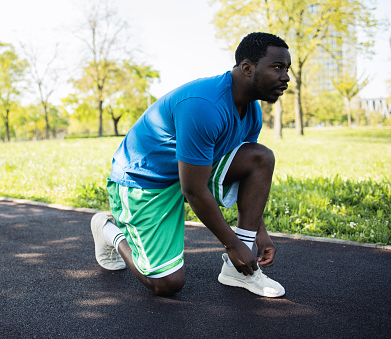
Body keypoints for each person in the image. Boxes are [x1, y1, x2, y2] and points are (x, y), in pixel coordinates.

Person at [91, 32, 291, 297]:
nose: (286, 76)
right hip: (143, 181)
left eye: (287, 68)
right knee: (167, 284)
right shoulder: (203, 106)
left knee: (260, 157)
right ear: (247, 68)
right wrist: (232, 244)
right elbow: (194, 191)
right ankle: (109, 230)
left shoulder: (252, 110)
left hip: (189, 171)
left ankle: (236, 270)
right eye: (277, 67)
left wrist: (258, 233)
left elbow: (248, 173)